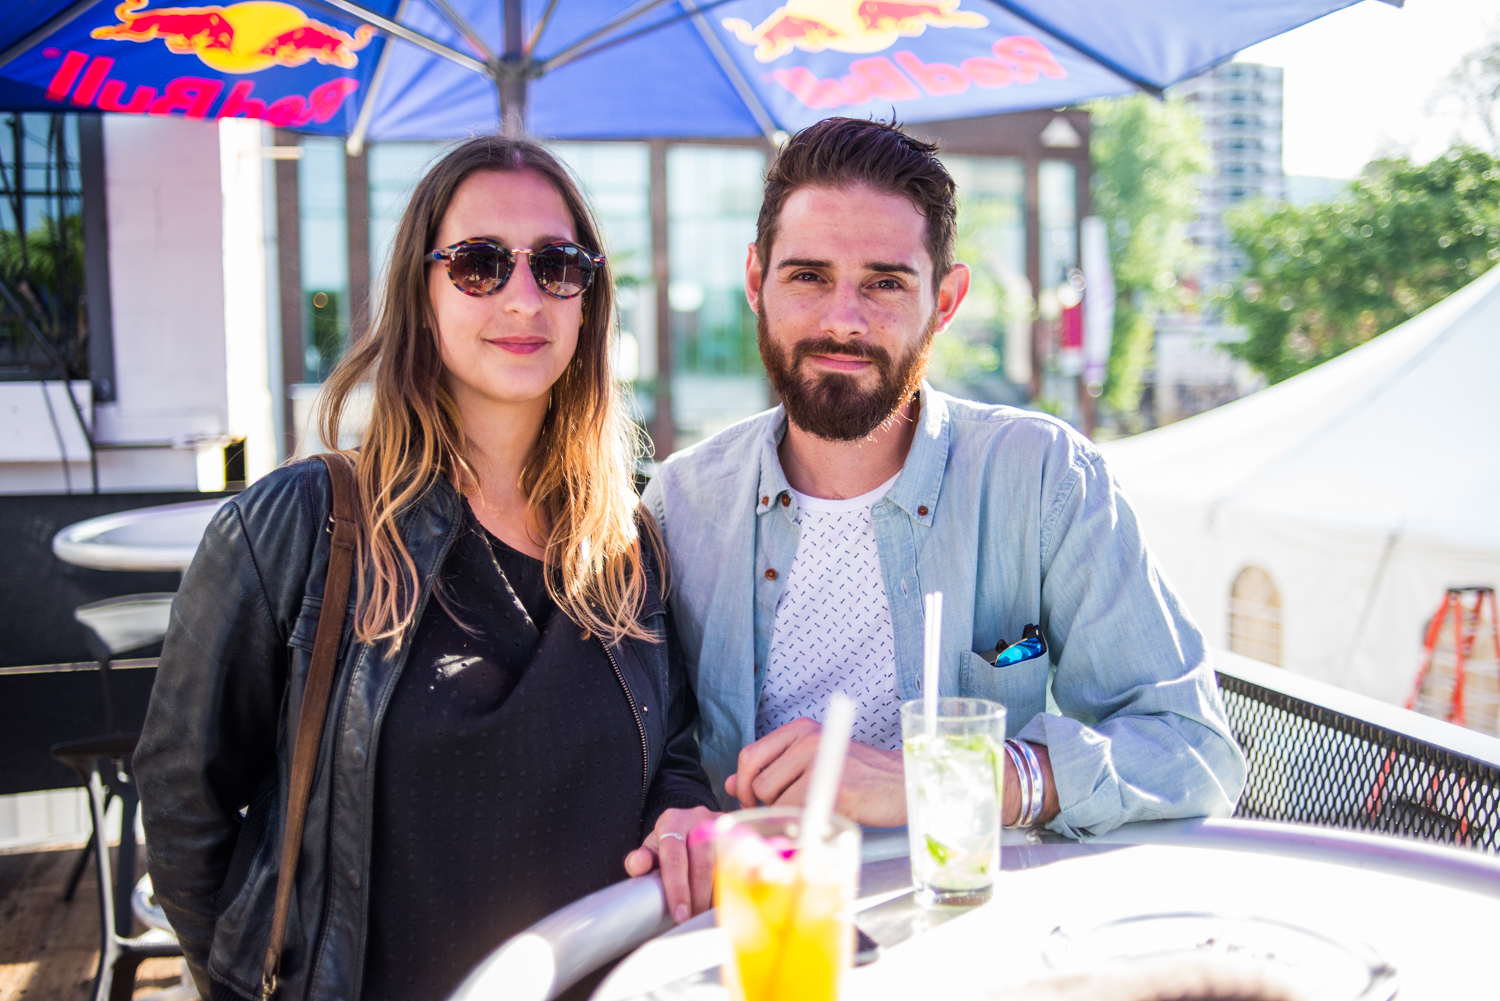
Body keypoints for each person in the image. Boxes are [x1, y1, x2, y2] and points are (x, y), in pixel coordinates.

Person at [134, 135, 718, 1001]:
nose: (524, 296)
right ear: (421, 290)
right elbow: (185, 805)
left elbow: (671, 746)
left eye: (558, 265)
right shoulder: (297, 528)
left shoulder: (624, 539)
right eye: (481, 263)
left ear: (589, 301)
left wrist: (681, 809)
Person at [637, 118, 1248, 915]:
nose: (844, 320)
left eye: (886, 282)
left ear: (945, 299)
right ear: (756, 280)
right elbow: (646, 761)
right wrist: (672, 812)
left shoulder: (1043, 479)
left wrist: (940, 779)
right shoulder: (677, 507)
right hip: (765, 938)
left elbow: (1191, 748)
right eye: (808, 276)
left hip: (983, 934)